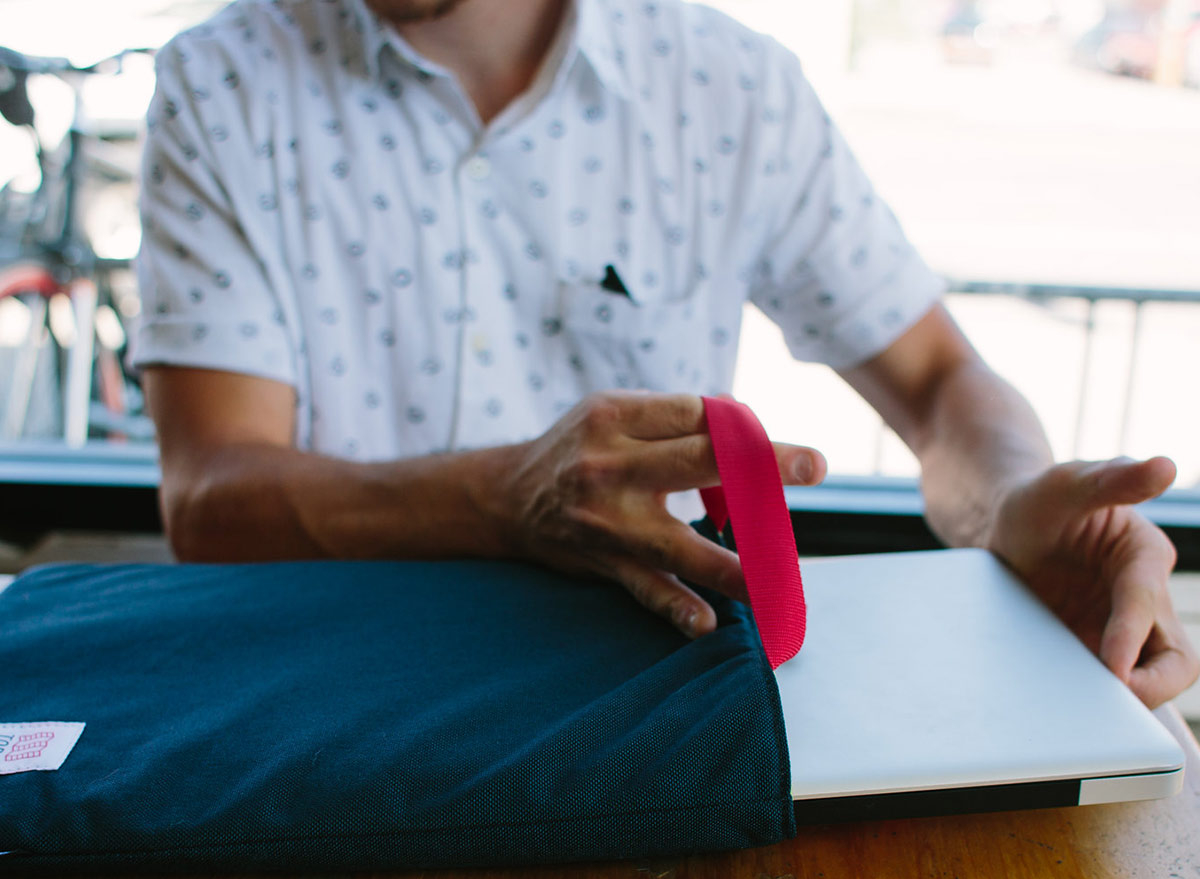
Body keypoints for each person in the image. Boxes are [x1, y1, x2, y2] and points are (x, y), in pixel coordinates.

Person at [133, 0, 1198, 708]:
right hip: (335, 707)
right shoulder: (220, 83)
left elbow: (937, 382)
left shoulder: (730, 88)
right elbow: (212, 498)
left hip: (651, 700)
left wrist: (1013, 501)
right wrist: (502, 495)